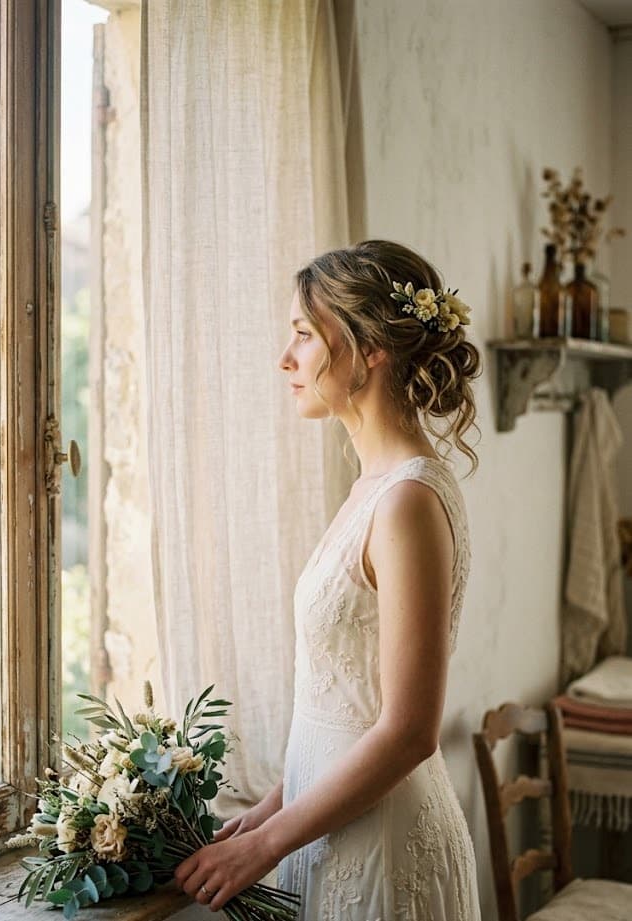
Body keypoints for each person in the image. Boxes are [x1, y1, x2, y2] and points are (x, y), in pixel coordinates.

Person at [173, 240, 482, 920]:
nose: (285, 359)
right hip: (325, 825)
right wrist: (270, 808)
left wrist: (262, 849)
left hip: (384, 846)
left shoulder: (405, 500)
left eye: (304, 335)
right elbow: (341, 699)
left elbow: (407, 730)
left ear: (369, 346)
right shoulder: (370, 487)